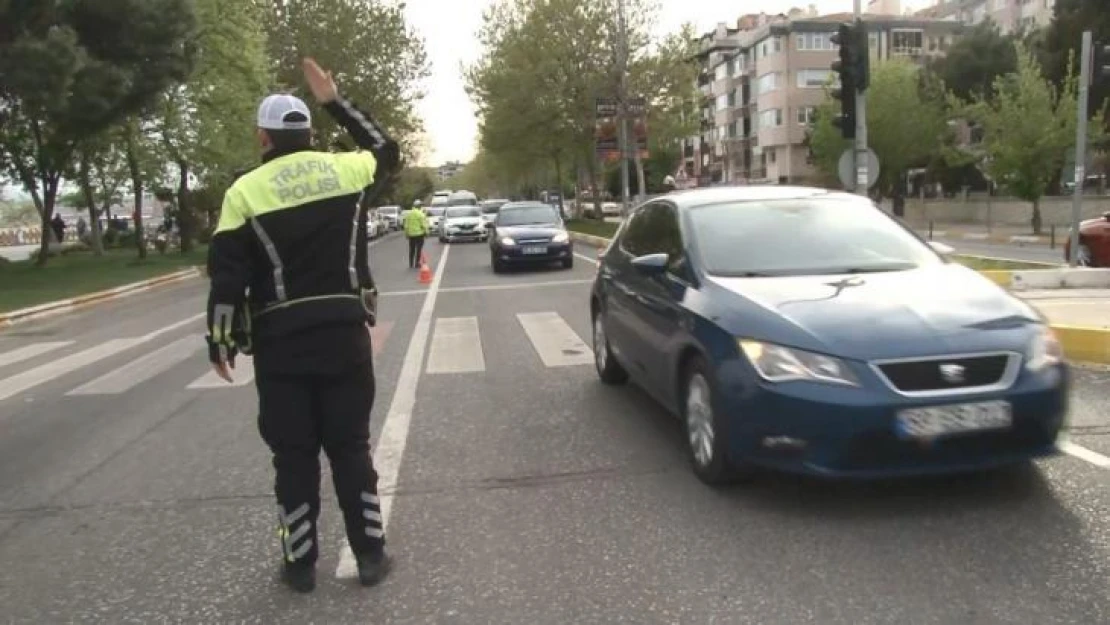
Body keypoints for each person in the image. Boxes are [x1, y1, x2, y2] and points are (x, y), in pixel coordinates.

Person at [204, 58, 401, 593]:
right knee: (351, 448)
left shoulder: (244, 192)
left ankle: (299, 567)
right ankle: (370, 556)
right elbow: (389, 149)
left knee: (293, 457)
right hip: (343, 334)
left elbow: (226, 276)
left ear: (262, 139)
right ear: (310, 133)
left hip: (280, 344)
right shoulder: (347, 170)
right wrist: (336, 100)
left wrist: (220, 341)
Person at [402, 199, 429, 268]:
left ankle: (411, 264)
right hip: (419, 234)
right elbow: (424, 225)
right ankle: (417, 263)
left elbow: (406, 226)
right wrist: (427, 232)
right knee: (419, 249)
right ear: (419, 206)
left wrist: (406, 234)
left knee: (412, 250)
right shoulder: (420, 214)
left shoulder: (409, 214)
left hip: (411, 235)